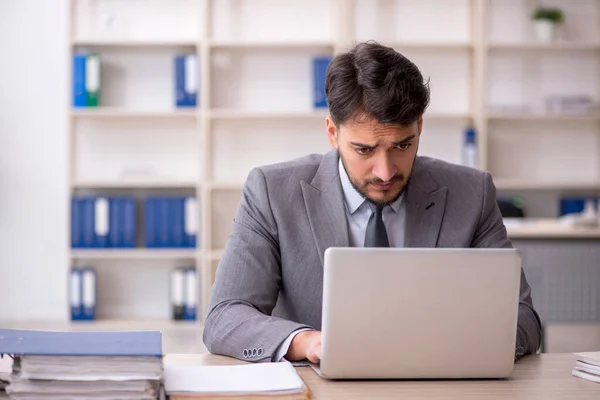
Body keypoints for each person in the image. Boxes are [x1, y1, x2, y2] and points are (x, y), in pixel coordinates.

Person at [202, 41, 542, 364]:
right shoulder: (272, 192)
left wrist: (457, 346)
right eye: (364, 150)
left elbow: (523, 318)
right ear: (332, 133)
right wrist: (309, 342)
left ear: (419, 127)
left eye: (402, 146)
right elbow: (226, 317)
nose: (385, 172)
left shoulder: (472, 193)